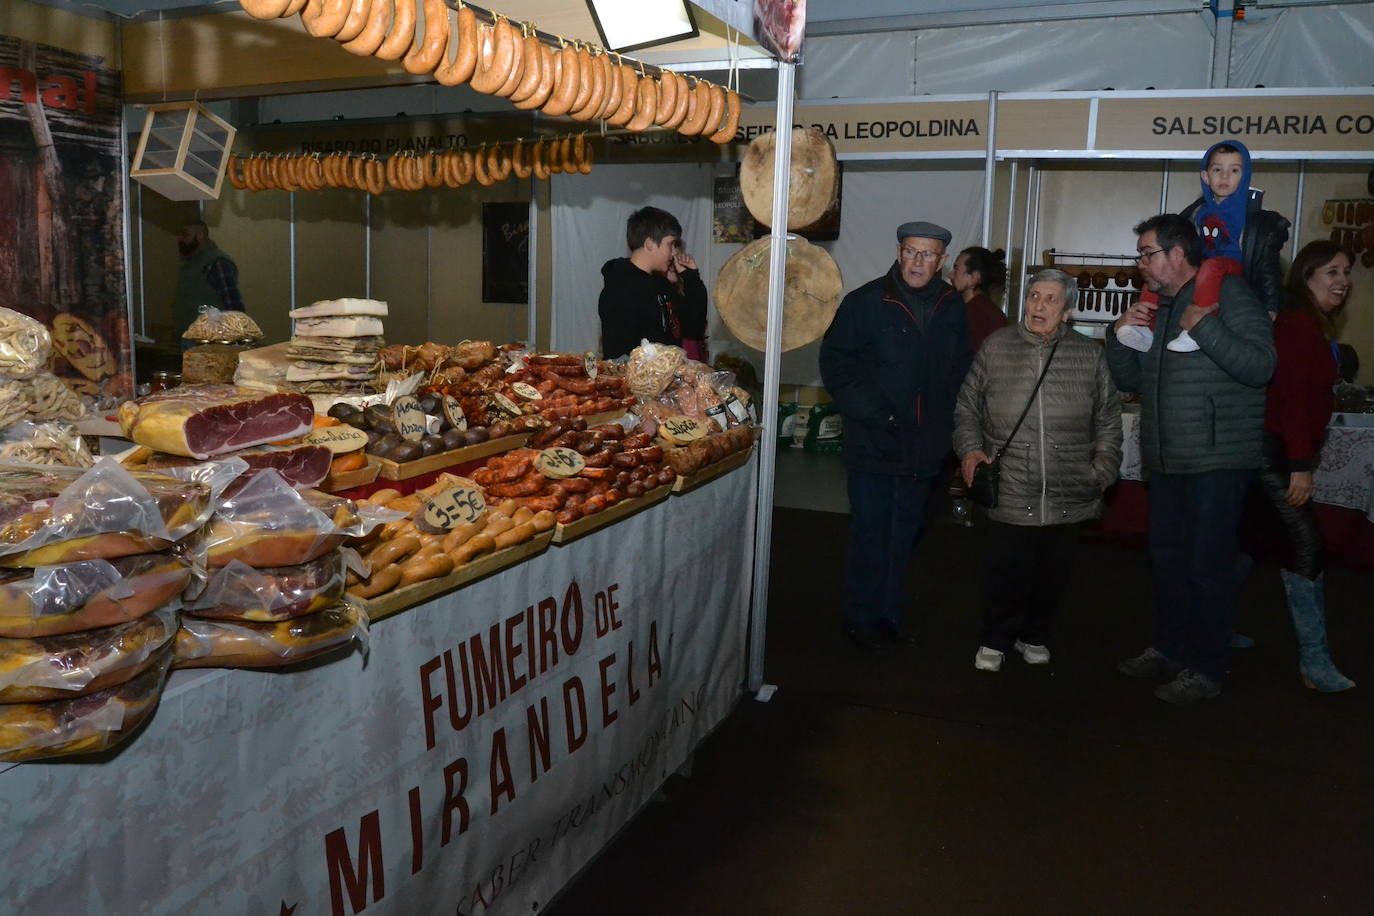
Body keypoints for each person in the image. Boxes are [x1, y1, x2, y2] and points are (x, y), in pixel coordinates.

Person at [1108, 214, 1276, 705]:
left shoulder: (1232, 297)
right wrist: (1119, 336)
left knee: (1207, 568)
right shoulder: (1159, 307)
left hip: (1216, 459)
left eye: (1147, 253)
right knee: (1168, 562)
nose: (1141, 263)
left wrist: (1206, 328)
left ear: (1178, 254)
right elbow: (1132, 380)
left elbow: (1262, 365)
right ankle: (1169, 648)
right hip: (1167, 457)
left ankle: (1206, 668)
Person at [955, 269, 1122, 671]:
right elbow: (966, 407)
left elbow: (1108, 419)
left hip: (1070, 487)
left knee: (1053, 574)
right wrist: (971, 450)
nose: (1039, 306)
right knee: (1003, 571)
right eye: (1033, 296)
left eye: (1050, 299)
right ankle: (995, 639)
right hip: (1011, 482)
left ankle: (1035, 634)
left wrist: (1101, 471)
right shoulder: (997, 347)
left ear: (1067, 311)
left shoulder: (1090, 354)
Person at [819, 221, 972, 652]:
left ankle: (888, 618)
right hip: (874, 444)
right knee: (870, 534)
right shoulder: (866, 302)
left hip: (925, 450)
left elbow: (961, 369)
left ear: (942, 261)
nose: (917, 262)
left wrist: (951, 430)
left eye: (927, 255)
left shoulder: (950, 306)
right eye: (910, 251)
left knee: (904, 537)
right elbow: (836, 365)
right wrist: (876, 415)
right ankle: (859, 619)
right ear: (899, 252)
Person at [1257, 240, 1356, 691]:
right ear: (1307, 277)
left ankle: (1210, 630)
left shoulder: (1313, 324)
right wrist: (1299, 464)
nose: (1343, 280)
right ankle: (1314, 662)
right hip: (1274, 454)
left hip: (1280, 450)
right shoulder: (1298, 324)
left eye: (1346, 272)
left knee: (1247, 542)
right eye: (1331, 272)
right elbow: (1294, 399)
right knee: (1306, 549)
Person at [1118, 140, 1289, 353]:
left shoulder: (1255, 217)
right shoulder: (1196, 214)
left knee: (1212, 267)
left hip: (1234, 266)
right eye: (1218, 169)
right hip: (1202, 265)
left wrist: (1271, 304)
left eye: (1234, 170)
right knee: (1159, 272)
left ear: (1244, 176)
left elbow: (1268, 264)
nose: (1225, 176)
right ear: (1206, 176)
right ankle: (1145, 328)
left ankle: (1196, 327)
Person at [598, 206, 707, 360]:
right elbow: (619, 355)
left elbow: (692, 327)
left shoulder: (662, 285)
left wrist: (691, 278)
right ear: (649, 244)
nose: (675, 252)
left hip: (668, 380)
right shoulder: (620, 289)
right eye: (670, 244)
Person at [174, 220, 243, 342]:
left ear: (200, 235)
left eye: (185, 235)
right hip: (190, 337)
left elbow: (233, 304)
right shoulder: (190, 263)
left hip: (211, 340)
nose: (180, 239)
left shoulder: (217, 263)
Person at [949, 246, 1009, 352]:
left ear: (975, 277)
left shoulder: (976, 314)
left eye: (956, 269)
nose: (951, 275)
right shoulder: (987, 311)